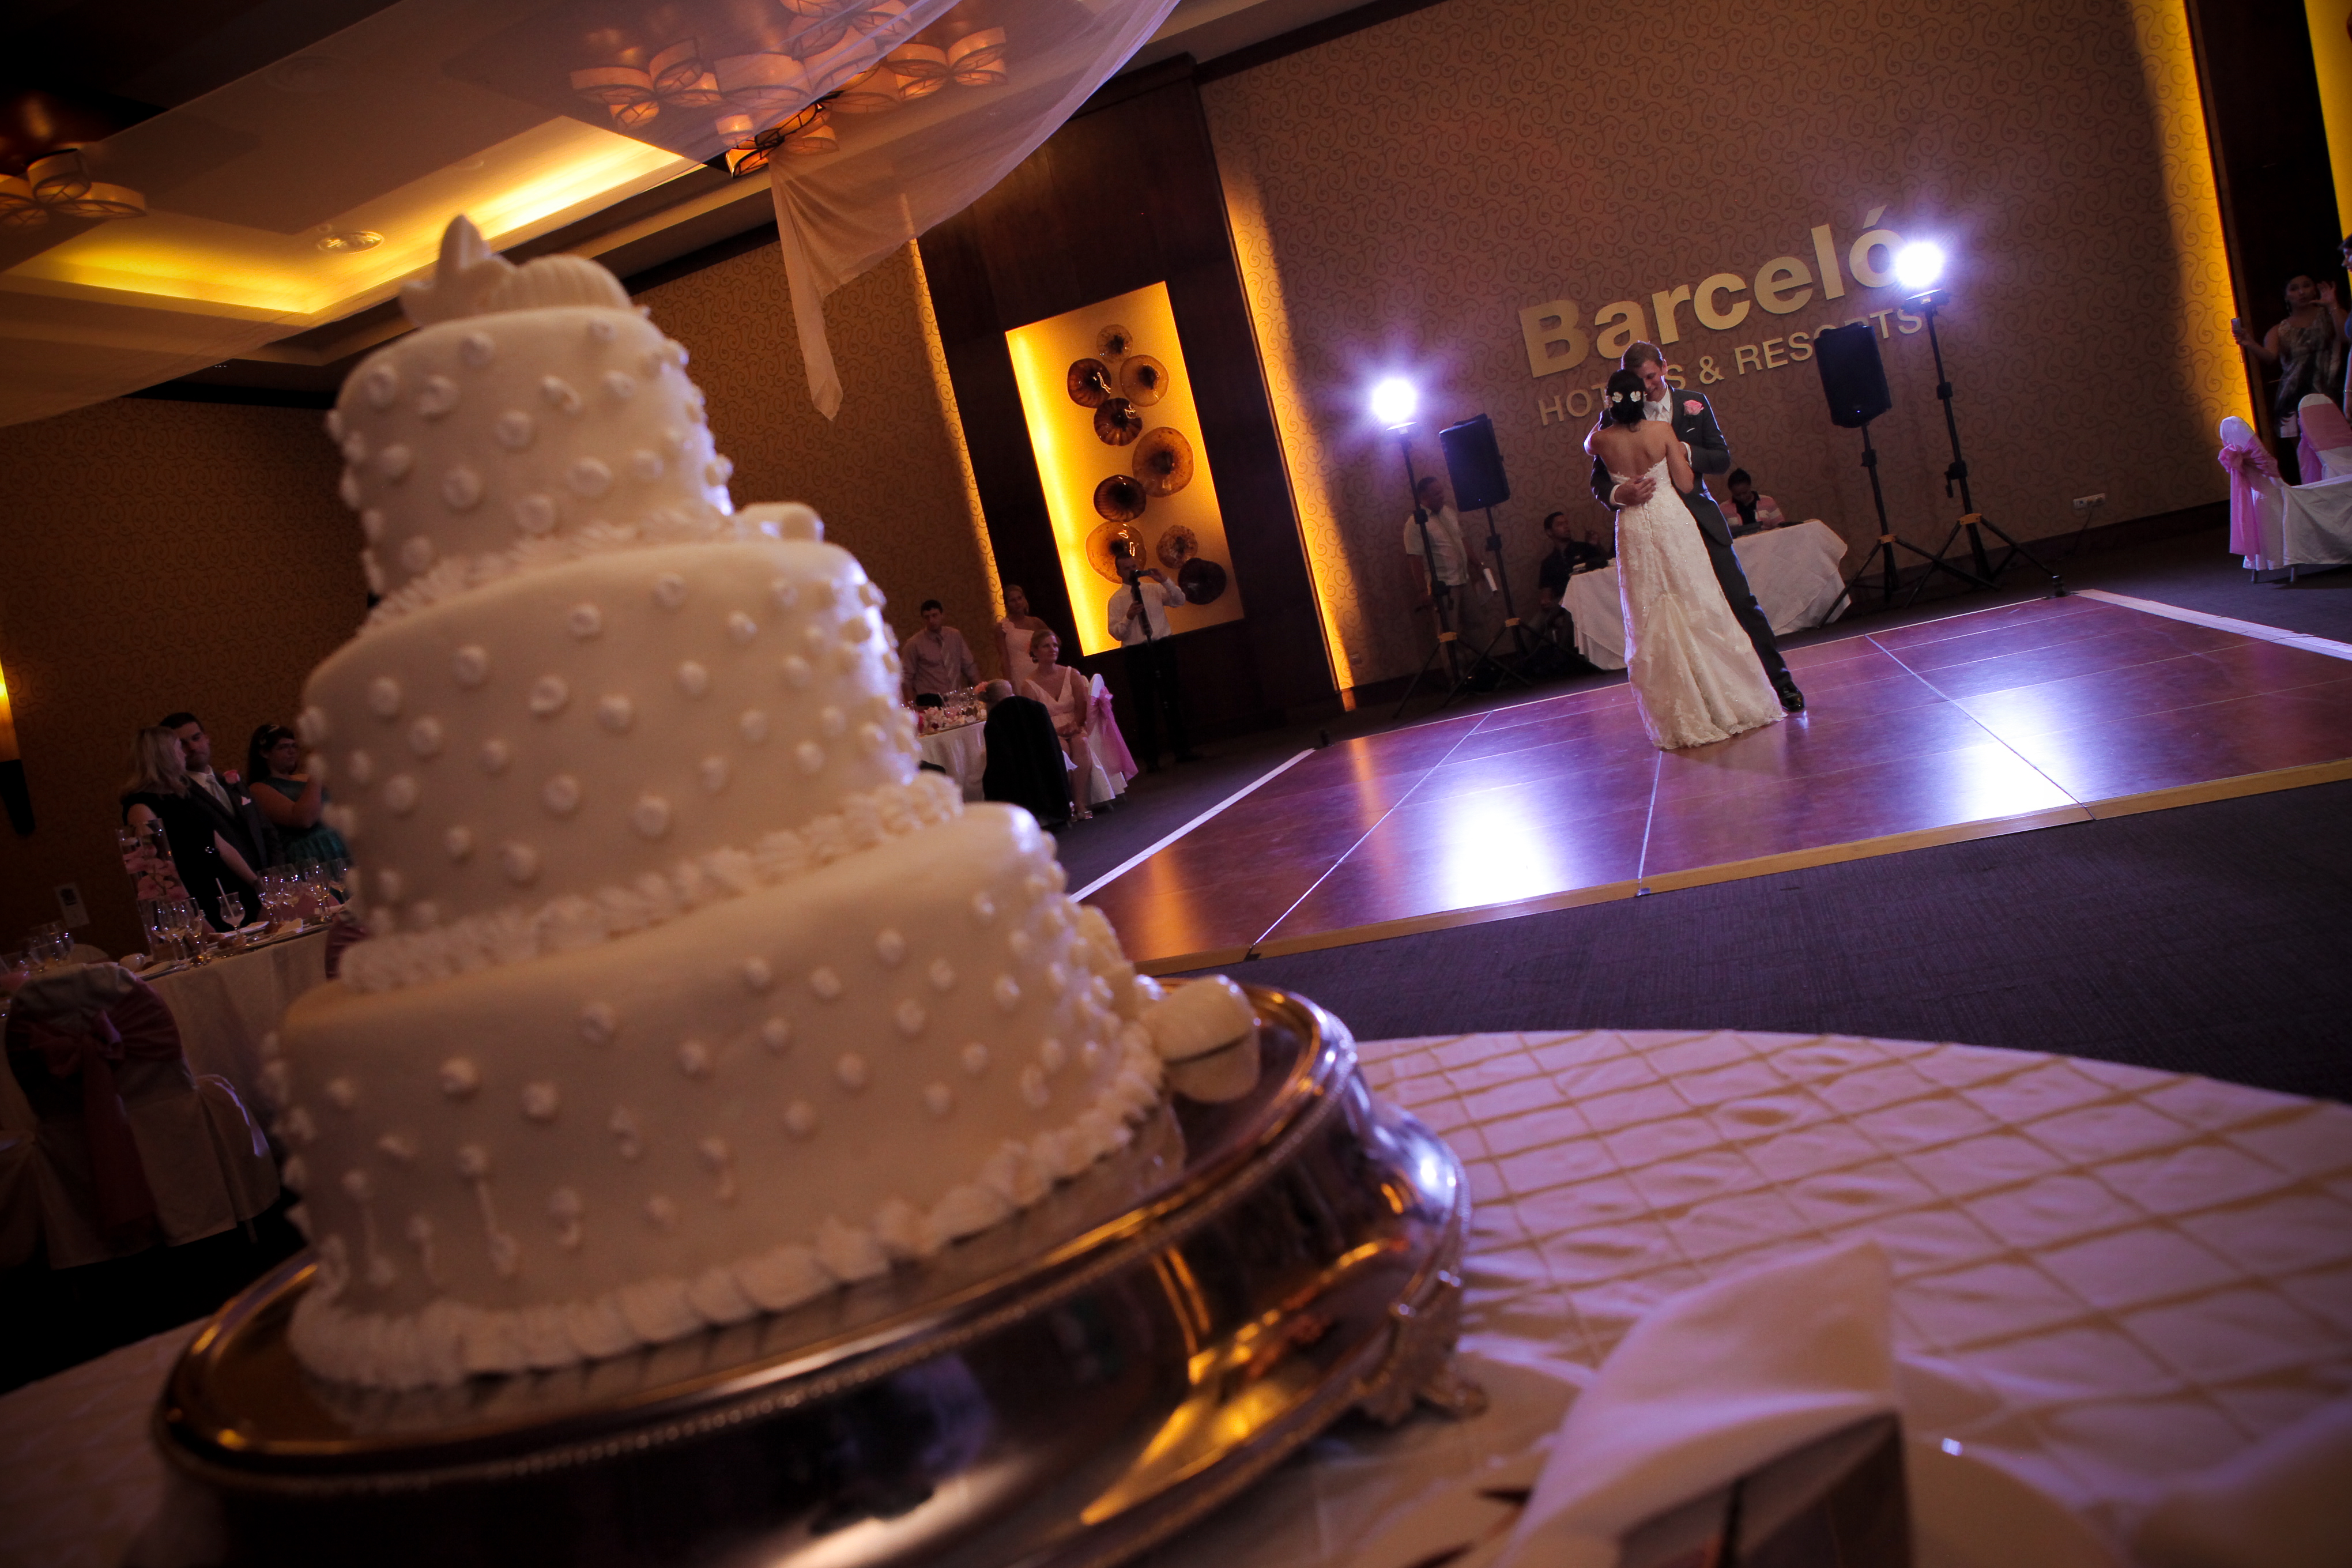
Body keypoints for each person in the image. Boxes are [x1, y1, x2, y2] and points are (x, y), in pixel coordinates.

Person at [1589, 343, 1804, 712]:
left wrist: (1683, 450)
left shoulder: (1694, 402)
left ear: (1664, 368)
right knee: (1677, 617)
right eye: (1639, 382)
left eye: (1651, 377)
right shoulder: (1612, 418)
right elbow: (1599, 480)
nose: (1648, 387)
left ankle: (1781, 683)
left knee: (1740, 602)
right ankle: (1707, 703)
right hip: (1655, 532)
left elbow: (1721, 459)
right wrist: (1619, 493)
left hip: (1700, 520)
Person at [120, 726, 258, 929]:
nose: (184, 754)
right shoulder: (141, 807)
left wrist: (258, 884)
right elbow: (158, 872)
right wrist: (196, 920)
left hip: (226, 891)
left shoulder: (184, 795)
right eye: (179, 747)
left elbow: (221, 845)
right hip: (197, 899)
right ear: (164, 755)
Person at [2231, 274, 2346, 482]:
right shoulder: (2279, 330)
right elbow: (2270, 357)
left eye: (2306, 286)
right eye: (2294, 289)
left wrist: (2333, 305)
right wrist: (2249, 343)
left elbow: (2347, 336)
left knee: (2342, 454)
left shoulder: (2330, 316)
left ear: (2315, 288)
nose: (2301, 292)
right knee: (2307, 459)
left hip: (2332, 393)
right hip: (2293, 400)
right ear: (2286, 296)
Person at [1106, 538, 1196, 770]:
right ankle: (1151, 760)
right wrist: (1128, 617)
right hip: (1137, 654)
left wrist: (1164, 580)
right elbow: (1115, 633)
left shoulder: (1153, 590)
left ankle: (1183, 751)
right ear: (1119, 572)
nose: (1132, 571)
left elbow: (1180, 600)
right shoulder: (1116, 600)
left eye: (1134, 566)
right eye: (1126, 568)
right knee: (1144, 706)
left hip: (1162, 647)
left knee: (1172, 699)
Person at [160, 711, 279, 876]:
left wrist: (275, 873)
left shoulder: (235, 784)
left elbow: (266, 831)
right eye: (182, 744)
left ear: (207, 737)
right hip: (224, 884)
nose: (193, 747)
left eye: (196, 738)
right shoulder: (176, 796)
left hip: (268, 878)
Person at [1401, 473, 1492, 671]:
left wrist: (1477, 564)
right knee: (1449, 633)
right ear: (1423, 497)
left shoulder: (1449, 513)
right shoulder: (1415, 524)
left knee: (1476, 625)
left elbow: (1462, 541)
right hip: (1443, 586)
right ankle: (1456, 676)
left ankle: (1483, 669)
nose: (1442, 496)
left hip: (1463, 578)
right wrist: (1422, 591)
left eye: (1441, 491)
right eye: (1436, 494)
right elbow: (1414, 558)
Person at [1020, 628, 1100, 821]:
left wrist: (1075, 724)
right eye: (1046, 646)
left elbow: (1082, 706)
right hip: (1048, 731)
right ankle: (1067, 803)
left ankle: (1080, 802)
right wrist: (1055, 731)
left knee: (1080, 743)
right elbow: (1034, 721)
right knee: (1062, 748)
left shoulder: (1072, 674)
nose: (1053, 649)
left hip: (1075, 724)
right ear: (1035, 651)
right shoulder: (1028, 685)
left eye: (1055, 645)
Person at [244, 723, 350, 866]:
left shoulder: (304, 779)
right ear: (264, 753)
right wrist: (316, 772)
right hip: (308, 857)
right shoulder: (258, 789)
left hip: (338, 848)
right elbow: (304, 819)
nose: (292, 751)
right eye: (283, 747)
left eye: (294, 746)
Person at [978, 679, 1072, 829]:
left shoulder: (995, 719)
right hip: (1045, 769)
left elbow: (998, 763)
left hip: (1016, 783)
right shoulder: (1035, 708)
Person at [899, 600, 979, 700]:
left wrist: (981, 688)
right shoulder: (914, 644)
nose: (931, 621)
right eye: (927, 617)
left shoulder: (954, 636)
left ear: (942, 615)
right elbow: (906, 678)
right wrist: (911, 705)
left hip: (956, 696)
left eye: (934, 615)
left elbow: (969, 666)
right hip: (930, 699)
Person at [997, 584, 1050, 691]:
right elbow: (1004, 658)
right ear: (1007, 604)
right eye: (1013, 600)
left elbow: (1055, 642)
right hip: (1019, 673)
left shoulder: (1035, 622)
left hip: (1040, 668)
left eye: (1019, 598)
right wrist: (1009, 683)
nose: (1017, 603)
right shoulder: (1002, 627)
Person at [1724, 470, 1786, 535]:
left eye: (1745, 493)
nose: (1742, 497)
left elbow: (1781, 526)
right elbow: (1722, 535)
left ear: (1750, 486)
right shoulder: (1724, 509)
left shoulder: (1768, 502)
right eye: (1737, 495)